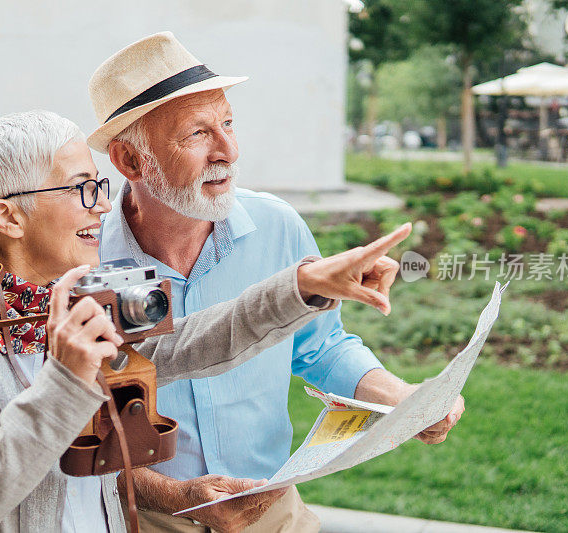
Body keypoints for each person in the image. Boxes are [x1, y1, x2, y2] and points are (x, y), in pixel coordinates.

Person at [0, 110, 413, 532]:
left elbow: (196, 342)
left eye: (98, 186)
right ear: (9, 216)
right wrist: (66, 382)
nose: (101, 207)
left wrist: (304, 285)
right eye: (79, 188)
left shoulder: (74, 302)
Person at [89, 32, 465, 532]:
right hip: (146, 515)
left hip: (269, 508)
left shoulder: (277, 227)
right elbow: (76, 428)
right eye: (197, 134)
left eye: (227, 123)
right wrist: (176, 497)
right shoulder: (86, 263)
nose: (228, 149)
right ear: (130, 161)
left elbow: (321, 347)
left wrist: (402, 397)